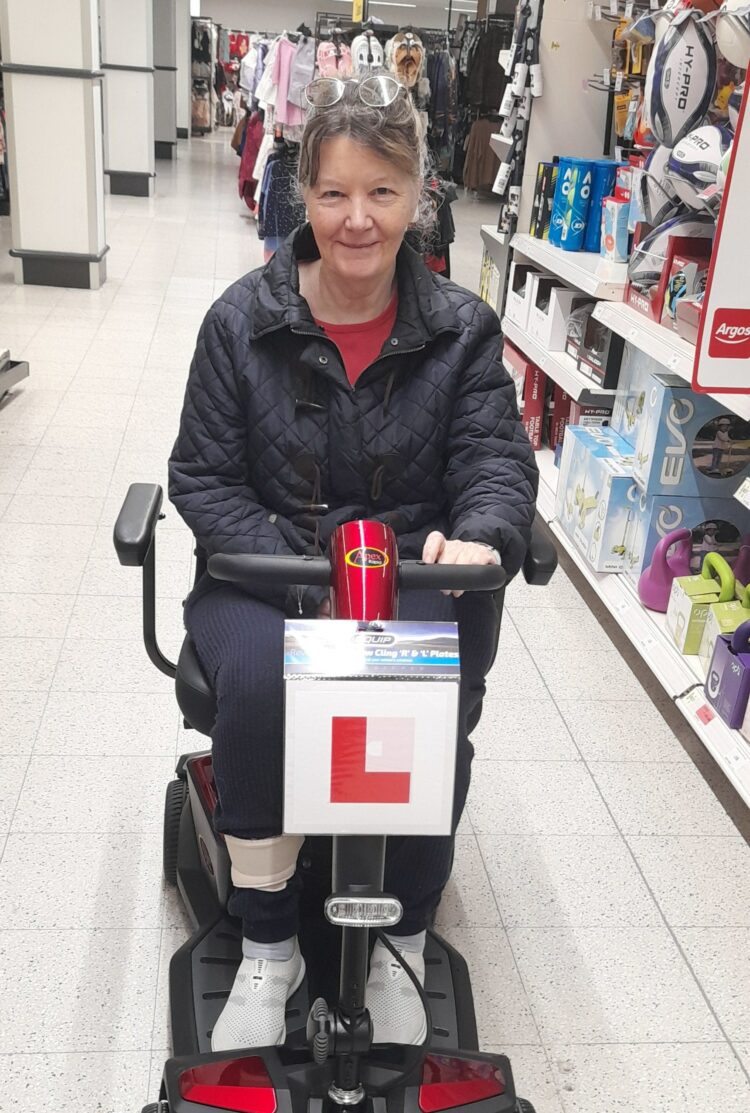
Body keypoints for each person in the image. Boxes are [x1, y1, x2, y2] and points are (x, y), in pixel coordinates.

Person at [169, 72, 538, 1053]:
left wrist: (484, 534)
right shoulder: (239, 322)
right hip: (270, 576)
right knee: (258, 686)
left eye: (382, 192)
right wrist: (313, 569)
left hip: (414, 579)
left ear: (419, 198)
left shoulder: (461, 331)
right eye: (334, 193)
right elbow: (202, 480)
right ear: (303, 195)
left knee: (427, 700)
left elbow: (495, 462)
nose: (358, 219)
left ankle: (404, 934)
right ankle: (268, 942)